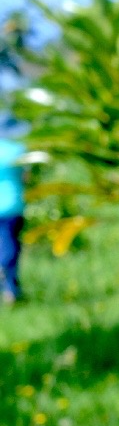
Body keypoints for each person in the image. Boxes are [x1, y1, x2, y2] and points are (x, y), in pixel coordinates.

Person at [0, 127, 25, 304]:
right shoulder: (18, 150)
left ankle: (10, 287)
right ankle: (10, 288)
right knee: (11, 245)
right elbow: (25, 177)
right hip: (13, 205)